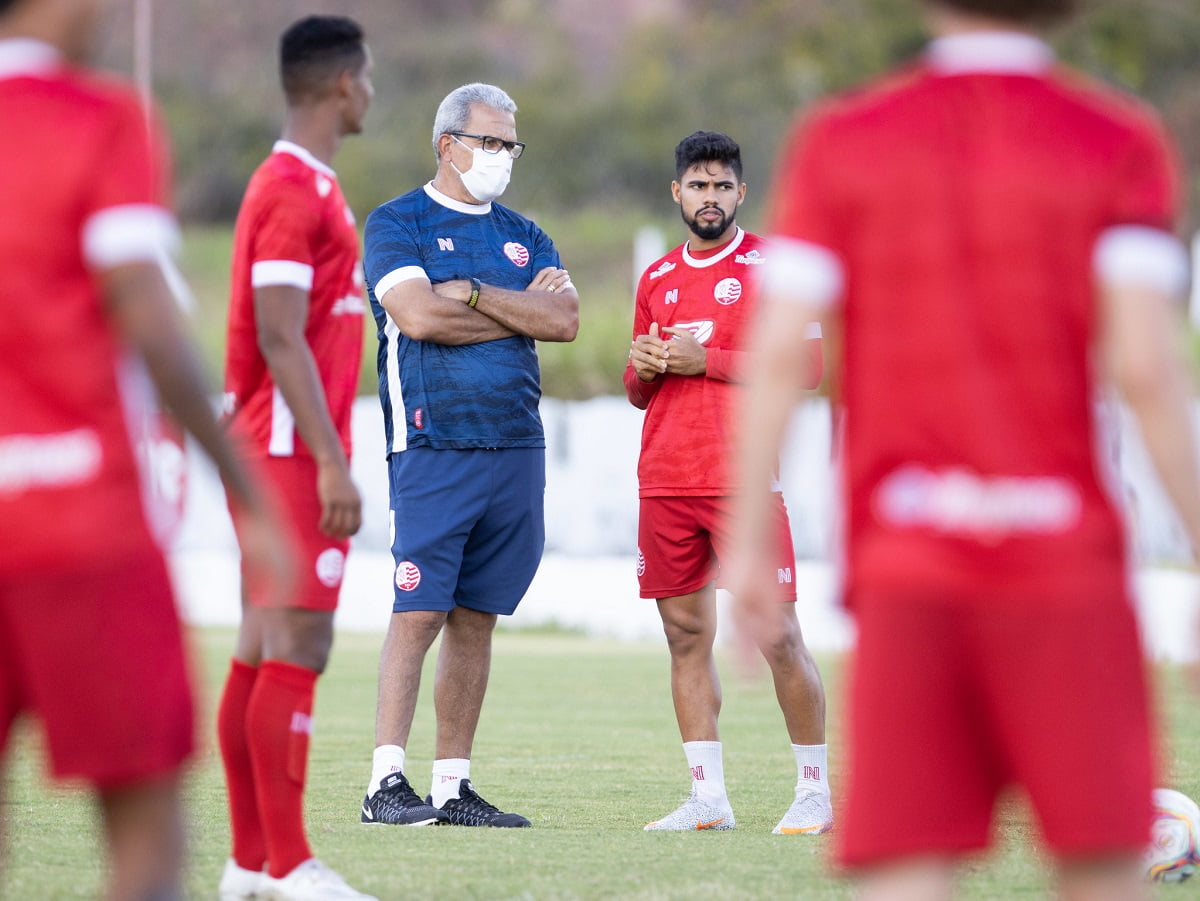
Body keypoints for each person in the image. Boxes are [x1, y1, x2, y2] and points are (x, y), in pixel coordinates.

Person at [727, 1, 1200, 899]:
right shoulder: (1116, 139)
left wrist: (747, 544)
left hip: (911, 560)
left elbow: (779, 350)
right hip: (1066, 564)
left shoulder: (843, 137)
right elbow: (1146, 365)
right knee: (1103, 866)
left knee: (905, 868)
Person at [0, 0, 292, 899]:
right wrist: (246, 490)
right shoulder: (98, 116)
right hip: (80, 523)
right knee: (147, 842)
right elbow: (146, 315)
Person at [360, 81, 579, 828]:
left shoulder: (525, 232)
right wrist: (521, 312)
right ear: (447, 143)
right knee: (419, 609)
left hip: (514, 444)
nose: (501, 157)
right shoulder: (398, 222)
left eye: (509, 144)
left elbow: (565, 319)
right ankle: (384, 782)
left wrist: (480, 296)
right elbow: (418, 315)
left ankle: (452, 786)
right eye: (489, 141)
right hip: (432, 441)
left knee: (477, 617)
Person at [625, 131, 832, 835]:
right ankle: (707, 797)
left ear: (740, 193)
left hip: (742, 479)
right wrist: (647, 363)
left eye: (721, 186)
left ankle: (814, 791)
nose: (708, 197)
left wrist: (702, 357)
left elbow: (805, 368)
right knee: (685, 638)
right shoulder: (655, 278)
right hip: (664, 479)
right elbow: (636, 388)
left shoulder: (776, 265)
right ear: (676, 192)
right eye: (696, 184)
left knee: (776, 634)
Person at [215, 15, 378, 901]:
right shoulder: (289, 189)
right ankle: (290, 863)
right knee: (299, 642)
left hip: (280, 445)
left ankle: (248, 864)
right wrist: (328, 460)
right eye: (368, 78)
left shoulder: (312, 185)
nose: (371, 92)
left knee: (258, 645)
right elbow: (280, 337)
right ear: (342, 84)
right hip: (285, 448)